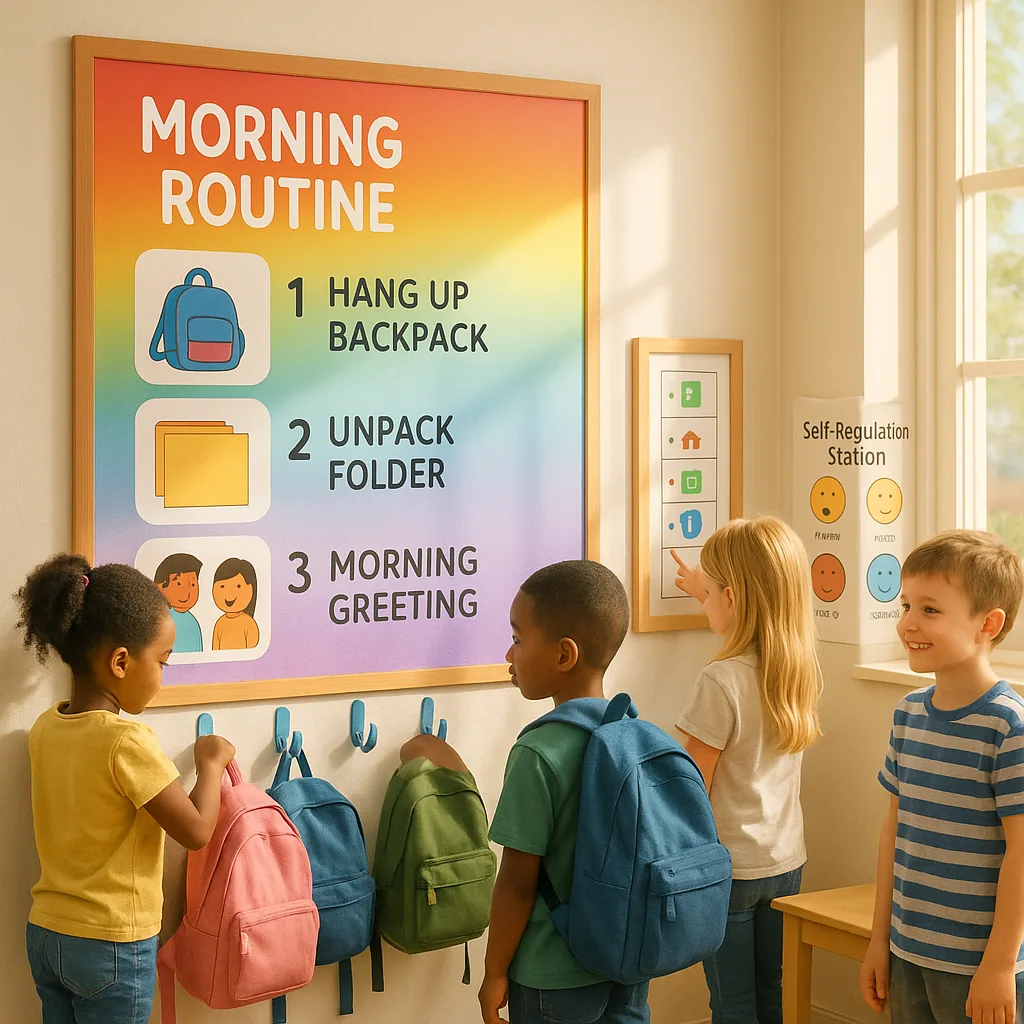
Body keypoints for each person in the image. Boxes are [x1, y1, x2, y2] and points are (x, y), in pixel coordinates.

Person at [15, 553, 236, 1024]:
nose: (162, 676)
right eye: (162, 661)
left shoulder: (45, 727)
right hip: (110, 945)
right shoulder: (126, 742)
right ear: (120, 662)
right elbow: (196, 830)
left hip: (47, 933)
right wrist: (211, 764)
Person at [859, 530, 1024, 1024]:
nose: (907, 623)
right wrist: (880, 938)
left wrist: (999, 965)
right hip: (908, 950)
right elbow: (894, 832)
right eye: (905, 605)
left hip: (979, 965)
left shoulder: (1008, 727)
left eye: (930, 609)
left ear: (988, 624)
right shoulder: (908, 714)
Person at [478, 559, 647, 1024]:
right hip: (628, 957)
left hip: (553, 974)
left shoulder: (537, 753)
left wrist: (494, 972)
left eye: (518, 639)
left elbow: (517, 883)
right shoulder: (632, 732)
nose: (509, 654)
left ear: (564, 655)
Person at [672, 516, 822, 1024]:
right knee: (771, 993)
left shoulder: (720, 681)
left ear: (732, 597)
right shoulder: (797, 670)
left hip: (730, 870)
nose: (704, 601)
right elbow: (740, 604)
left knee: (732, 1004)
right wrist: (705, 586)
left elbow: (692, 789)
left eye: (709, 594)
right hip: (785, 862)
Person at [153, 552, 203, 654]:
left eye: (192, 584)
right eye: (179, 584)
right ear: (160, 585)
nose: (187, 594)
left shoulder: (192, 622)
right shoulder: (159, 618)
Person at [211, 557, 260, 650]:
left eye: (238, 586)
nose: (229, 594)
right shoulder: (219, 623)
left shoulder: (249, 623)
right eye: (222, 586)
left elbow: (252, 653)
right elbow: (215, 650)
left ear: (251, 589)